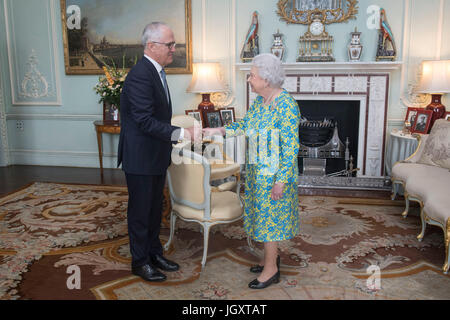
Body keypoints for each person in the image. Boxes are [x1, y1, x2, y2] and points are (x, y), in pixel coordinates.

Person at [203, 53, 301, 289]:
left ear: (266, 80)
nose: (249, 79)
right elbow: (246, 125)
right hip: (258, 171)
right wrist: (219, 131)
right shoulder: (260, 101)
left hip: (275, 175)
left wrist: (281, 181)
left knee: (271, 222)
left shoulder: (286, 105)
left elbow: (290, 147)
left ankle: (271, 269)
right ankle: (269, 258)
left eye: (253, 76)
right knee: (262, 218)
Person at [117, 22, 199, 282]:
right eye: (169, 44)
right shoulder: (141, 74)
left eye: (173, 44)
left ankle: (154, 253)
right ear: (151, 46)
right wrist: (181, 133)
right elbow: (143, 120)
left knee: (154, 209)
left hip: (154, 154)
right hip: (140, 157)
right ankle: (140, 262)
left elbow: (157, 116)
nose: (174, 49)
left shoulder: (157, 71)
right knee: (141, 212)